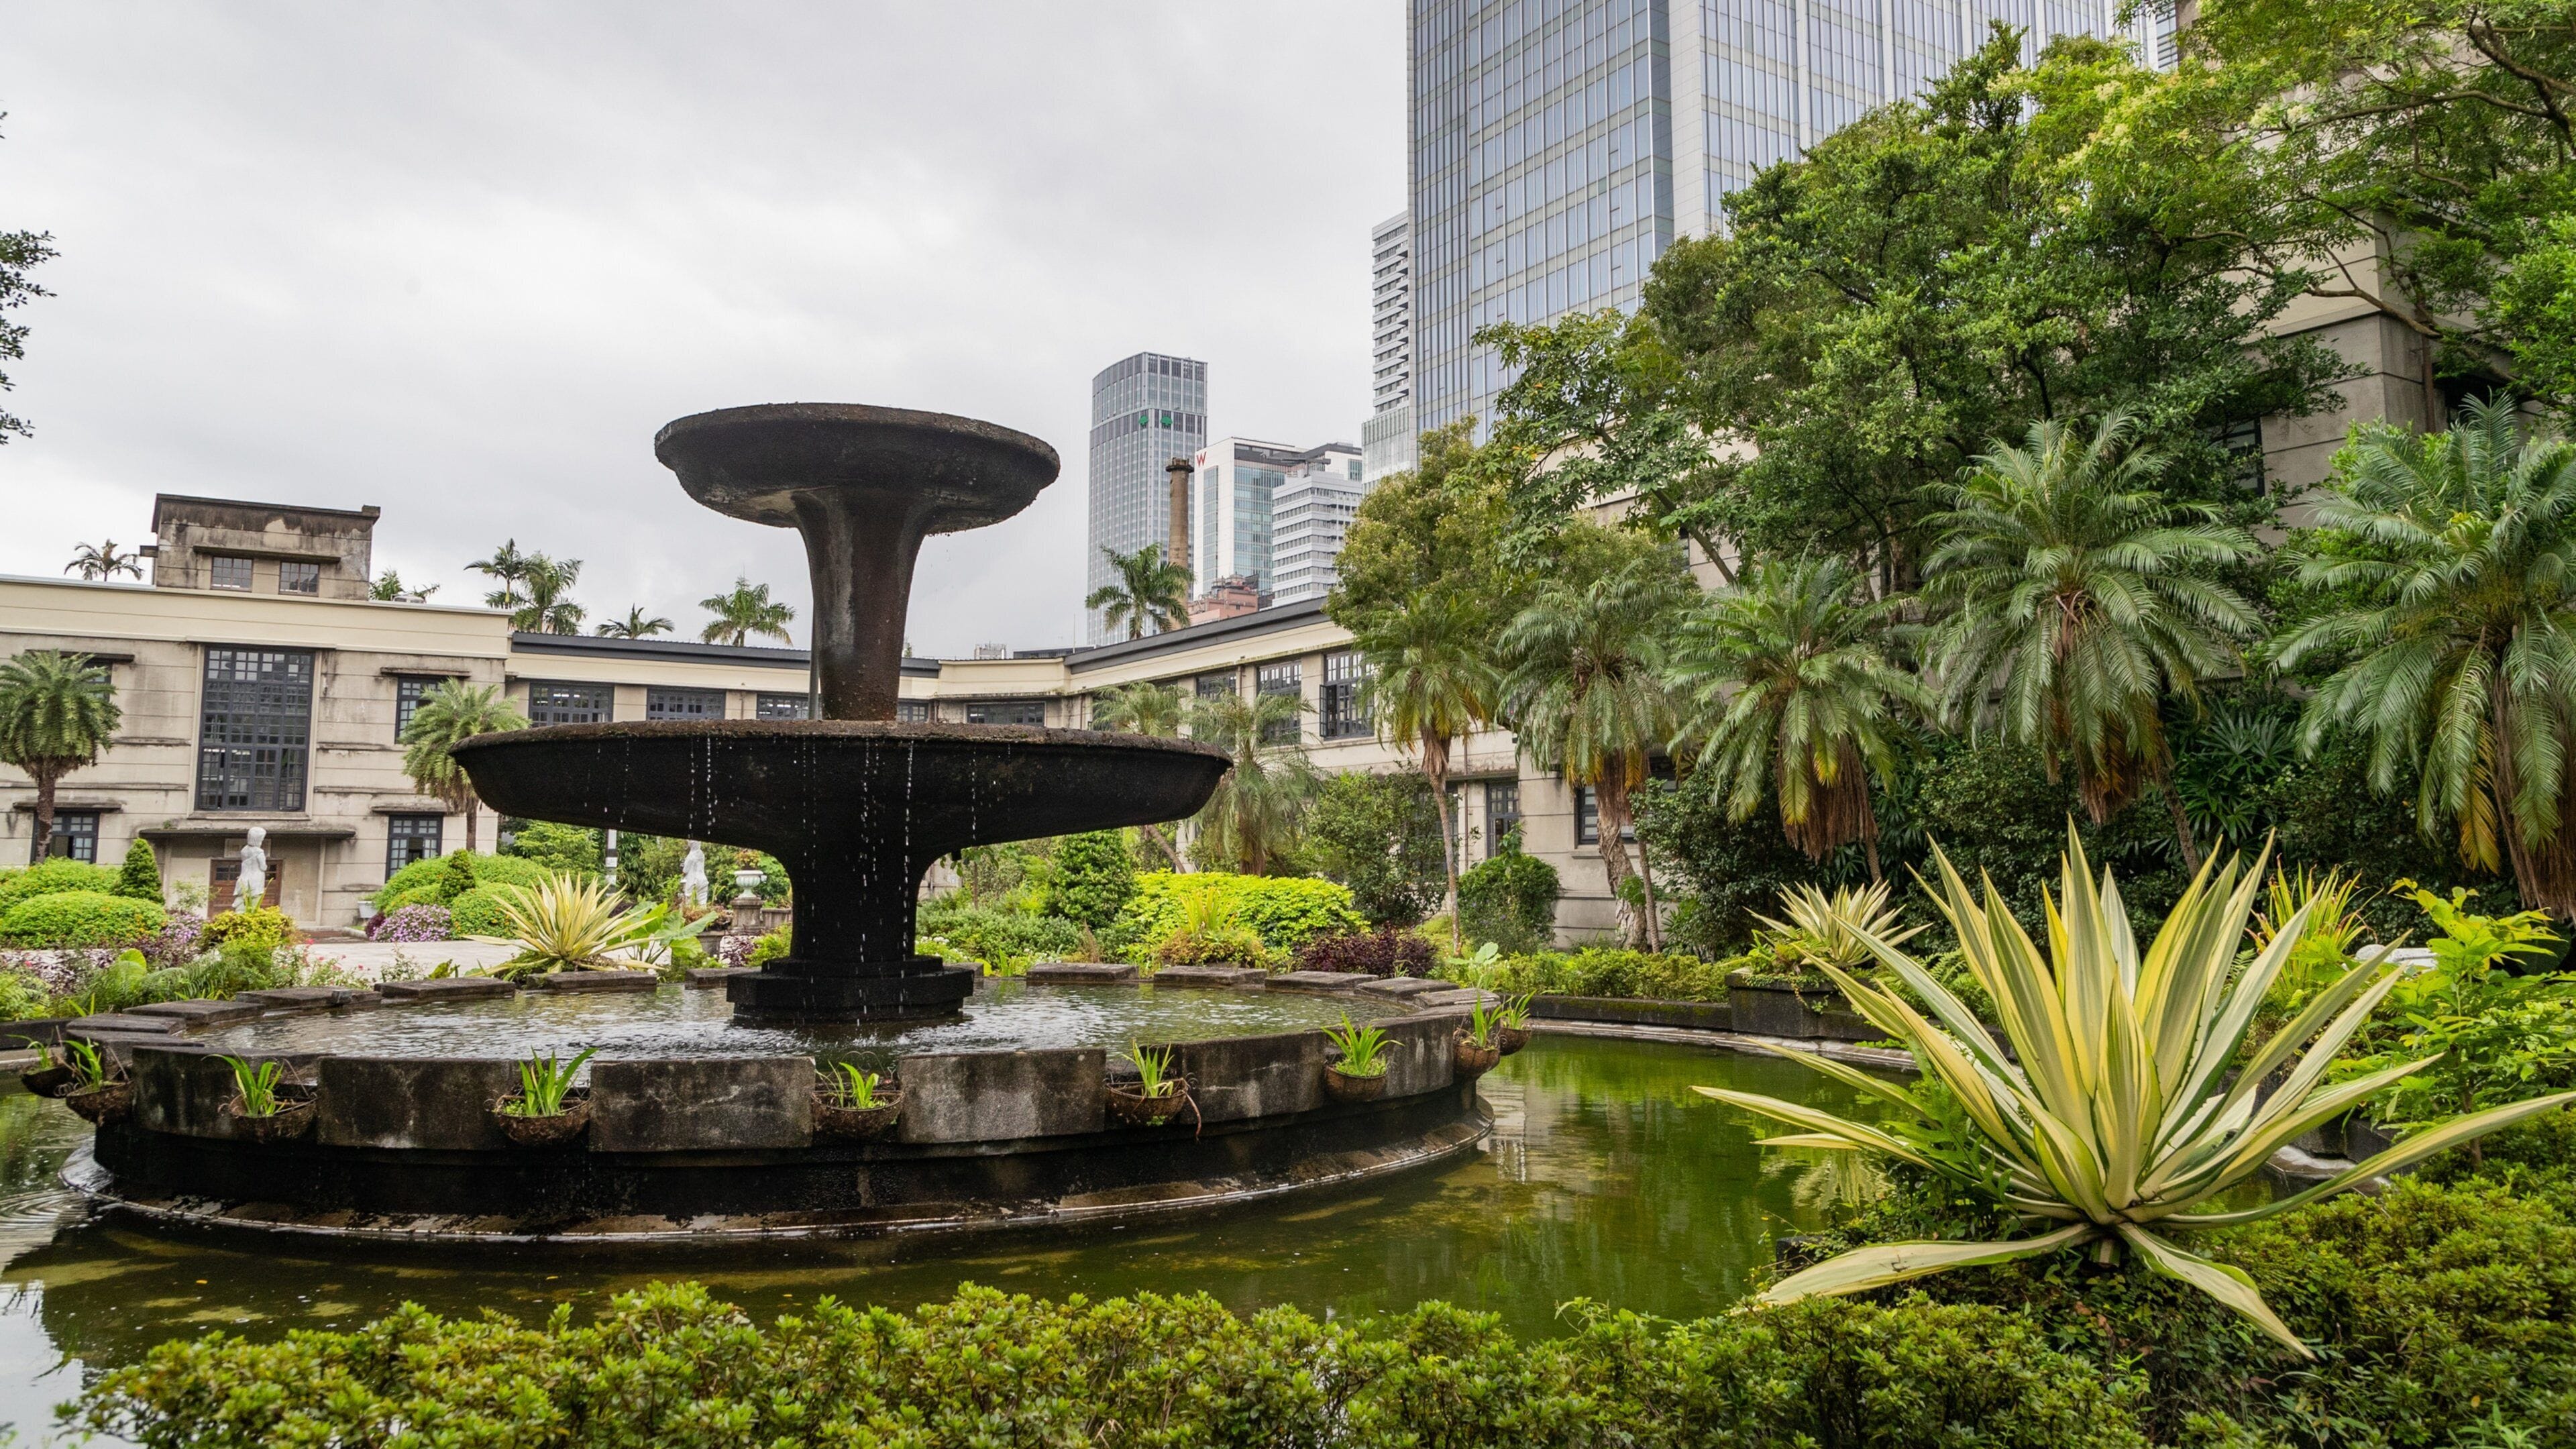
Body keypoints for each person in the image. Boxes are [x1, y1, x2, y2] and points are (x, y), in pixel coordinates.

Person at [236, 826, 268, 912]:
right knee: (255, 896)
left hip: (245, 875)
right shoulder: (259, 852)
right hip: (256, 877)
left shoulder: (244, 850)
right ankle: (252, 912)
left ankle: (240, 911)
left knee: (243, 895)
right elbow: (263, 867)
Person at [680, 840, 708, 908]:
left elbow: (685, 870)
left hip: (693, 881)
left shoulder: (691, 856)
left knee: (689, 903)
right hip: (703, 880)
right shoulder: (701, 854)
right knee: (703, 902)